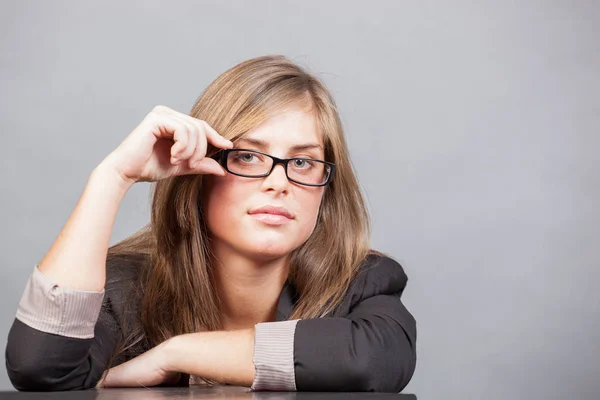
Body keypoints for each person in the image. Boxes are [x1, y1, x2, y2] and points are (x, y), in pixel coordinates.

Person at [5, 55, 416, 392]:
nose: (278, 183)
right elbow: (41, 372)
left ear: (325, 187)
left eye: (303, 162)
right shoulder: (123, 286)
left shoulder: (362, 279)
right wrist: (112, 178)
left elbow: (374, 359)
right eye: (247, 156)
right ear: (198, 174)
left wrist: (178, 352)